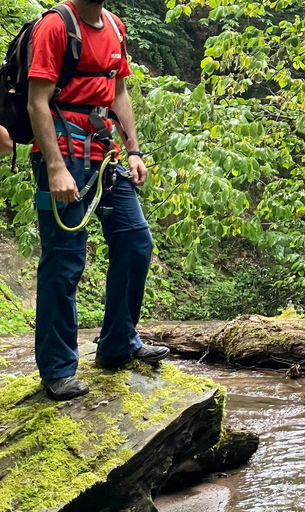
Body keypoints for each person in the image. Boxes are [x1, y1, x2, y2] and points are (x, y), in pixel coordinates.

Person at [28, 0, 169, 401]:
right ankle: (57, 370)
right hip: (64, 155)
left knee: (136, 242)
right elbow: (38, 100)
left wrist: (135, 151)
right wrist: (55, 167)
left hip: (106, 155)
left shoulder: (115, 26)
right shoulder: (56, 27)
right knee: (64, 261)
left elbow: (118, 92)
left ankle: (117, 343)